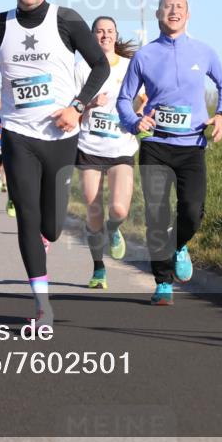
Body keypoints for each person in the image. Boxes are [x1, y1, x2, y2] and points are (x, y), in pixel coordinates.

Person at [0, 0, 109, 327]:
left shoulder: (66, 20)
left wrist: (77, 108)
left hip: (61, 134)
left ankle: (45, 239)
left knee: (51, 225)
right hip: (18, 134)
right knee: (28, 219)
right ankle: (41, 304)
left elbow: (101, 66)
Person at [117, 0, 222, 306]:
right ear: (157, 14)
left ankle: (179, 244)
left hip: (191, 146)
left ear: (188, 13)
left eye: (179, 6)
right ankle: (163, 282)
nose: (173, 11)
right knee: (157, 213)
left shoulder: (203, 52)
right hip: (155, 145)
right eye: (167, 6)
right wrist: (134, 122)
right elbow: (124, 99)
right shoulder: (144, 56)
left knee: (192, 211)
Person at [74, 16, 145, 290]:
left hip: (121, 147)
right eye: (99, 31)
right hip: (89, 148)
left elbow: (143, 103)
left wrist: (140, 112)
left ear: (116, 35)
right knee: (93, 212)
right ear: (92, 37)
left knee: (118, 208)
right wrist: (91, 104)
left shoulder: (130, 67)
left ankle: (114, 229)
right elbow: (73, 111)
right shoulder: (81, 68)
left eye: (110, 31)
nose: (105, 35)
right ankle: (98, 268)